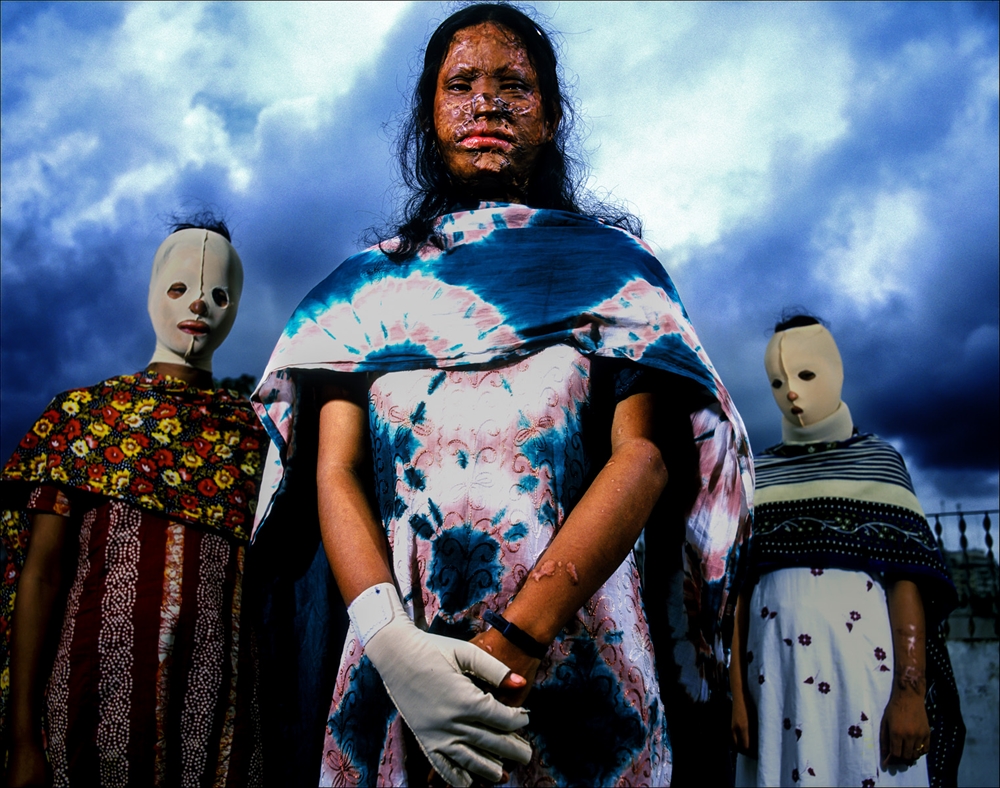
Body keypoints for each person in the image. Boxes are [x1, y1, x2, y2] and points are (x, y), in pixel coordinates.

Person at [250, 5, 751, 787]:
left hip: (582, 662)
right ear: (430, 115)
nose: (486, 102)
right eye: (462, 84)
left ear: (550, 118)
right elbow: (334, 473)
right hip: (405, 663)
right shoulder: (361, 295)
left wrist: (509, 651)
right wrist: (394, 648)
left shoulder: (614, 274)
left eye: (514, 84)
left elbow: (645, 458)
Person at [1, 217, 267, 787]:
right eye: (178, 289)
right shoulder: (84, 417)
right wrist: (21, 738)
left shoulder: (256, 437)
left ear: (236, 307)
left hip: (217, 724)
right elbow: (41, 575)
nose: (199, 304)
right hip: (87, 713)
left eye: (219, 294)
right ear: (152, 295)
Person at [730, 315, 964, 788]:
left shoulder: (880, 462)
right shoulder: (758, 474)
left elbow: (907, 578)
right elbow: (736, 591)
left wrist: (909, 694)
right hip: (775, 691)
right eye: (777, 382)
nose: (791, 392)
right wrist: (737, 697)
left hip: (866, 688)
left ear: (833, 372)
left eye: (805, 375)